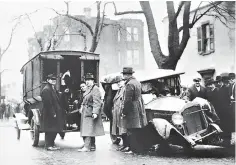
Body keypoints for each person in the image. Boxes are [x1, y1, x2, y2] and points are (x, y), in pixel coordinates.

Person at [121, 67, 148, 153]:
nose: (123, 76)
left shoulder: (129, 84)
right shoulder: (137, 82)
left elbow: (128, 100)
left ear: (127, 75)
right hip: (139, 106)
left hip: (132, 108)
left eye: (124, 74)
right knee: (137, 128)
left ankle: (132, 148)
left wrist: (124, 112)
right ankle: (135, 148)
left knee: (131, 128)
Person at [78, 73, 105, 152]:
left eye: (89, 80)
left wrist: (95, 112)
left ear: (93, 81)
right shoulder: (88, 89)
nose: (87, 82)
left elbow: (97, 102)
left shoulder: (95, 89)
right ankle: (92, 146)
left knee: (88, 130)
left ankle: (87, 147)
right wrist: (82, 106)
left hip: (90, 111)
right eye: (86, 80)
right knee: (90, 129)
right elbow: (84, 99)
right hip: (86, 111)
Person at [41, 73, 65, 151]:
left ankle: (51, 144)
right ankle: (48, 145)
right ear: (48, 80)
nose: (54, 81)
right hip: (50, 113)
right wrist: (53, 113)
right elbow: (48, 103)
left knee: (54, 129)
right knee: (49, 130)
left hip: (54, 113)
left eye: (54, 79)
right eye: (52, 79)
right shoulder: (46, 89)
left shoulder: (52, 88)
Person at [110, 75, 128, 152]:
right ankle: (124, 145)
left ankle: (126, 145)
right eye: (117, 82)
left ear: (124, 81)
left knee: (123, 130)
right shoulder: (119, 90)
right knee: (120, 130)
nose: (118, 83)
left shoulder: (125, 90)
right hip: (117, 112)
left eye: (120, 81)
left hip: (121, 112)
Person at [217, 74, 233, 146]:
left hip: (226, 111)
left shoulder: (225, 89)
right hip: (224, 111)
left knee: (226, 126)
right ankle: (226, 141)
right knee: (225, 126)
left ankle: (227, 141)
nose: (227, 83)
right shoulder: (224, 89)